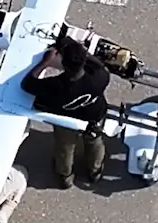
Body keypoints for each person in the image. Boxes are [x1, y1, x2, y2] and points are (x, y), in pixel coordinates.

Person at [20, 36, 111, 188]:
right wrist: (79, 50)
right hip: (95, 116)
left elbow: (27, 84)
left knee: (65, 147)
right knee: (95, 142)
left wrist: (46, 62)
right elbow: (99, 65)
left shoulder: (55, 86)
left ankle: (65, 176)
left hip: (68, 121)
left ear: (63, 64)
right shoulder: (99, 76)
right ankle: (95, 172)